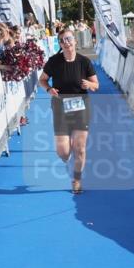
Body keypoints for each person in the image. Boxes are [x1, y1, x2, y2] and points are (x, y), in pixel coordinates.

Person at [39, 30, 99, 195]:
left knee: (79, 149)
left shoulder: (84, 62)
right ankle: (69, 156)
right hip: (60, 108)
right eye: (62, 40)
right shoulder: (54, 61)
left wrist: (89, 84)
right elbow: (42, 80)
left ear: (74, 41)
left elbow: (96, 85)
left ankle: (77, 180)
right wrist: (49, 89)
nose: (66, 42)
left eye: (69, 38)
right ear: (60, 44)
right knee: (63, 152)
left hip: (81, 108)